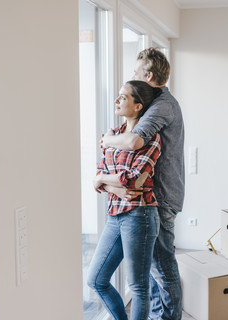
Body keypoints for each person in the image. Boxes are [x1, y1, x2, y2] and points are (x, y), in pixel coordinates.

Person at [101, 48, 185, 320]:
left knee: (163, 269)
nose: (132, 76)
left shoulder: (162, 105)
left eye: (135, 72)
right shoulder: (156, 103)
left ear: (148, 75)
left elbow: (135, 141)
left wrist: (105, 140)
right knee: (152, 271)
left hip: (159, 198)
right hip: (150, 198)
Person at [87, 80, 163, 320]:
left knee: (139, 286)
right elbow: (99, 174)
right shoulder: (114, 134)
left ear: (138, 106)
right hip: (115, 214)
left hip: (140, 215)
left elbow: (133, 181)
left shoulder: (150, 138)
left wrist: (105, 180)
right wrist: (106, 180)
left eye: (123, 97)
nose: (116, 101)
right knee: (97, 279)